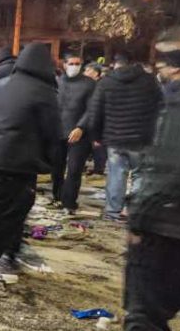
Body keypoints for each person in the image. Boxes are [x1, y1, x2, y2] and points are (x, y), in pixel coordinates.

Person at [0, 43, 62, 292]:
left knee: (12, 209)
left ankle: (9, 250)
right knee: (3, 214)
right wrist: (51, 162)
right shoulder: (43, 91)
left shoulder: (0, 84)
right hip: (19, 161)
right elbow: (53, 131)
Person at [123, 25, 180, 331]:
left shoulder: (177, 104)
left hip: (165, 229)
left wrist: (138, 218)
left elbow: (169, 166)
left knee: (146, 315)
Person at [85, 53, 162, 222]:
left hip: (114, 136)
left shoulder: (107, 81)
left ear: (115, 64)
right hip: (141, 137)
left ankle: (113, 211)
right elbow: (160, 107)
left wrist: (95, 135)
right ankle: (134, 210)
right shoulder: (149, 81)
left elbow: (95, 110)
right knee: (139, 175)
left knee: (116, 174)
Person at [48, 54, 97, 215]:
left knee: (75, 169)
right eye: (71, 63)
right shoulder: (56, 82)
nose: (74, 66)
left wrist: (81, 127)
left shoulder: (89, 84)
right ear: (64, 64)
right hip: (57, 131)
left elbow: (92, 108)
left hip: (79, 133)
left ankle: (69, 202)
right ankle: (57, 196)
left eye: (77, 63)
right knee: (56, 167)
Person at [83, 63, 106, 175]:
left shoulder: (101, 86)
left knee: (97, 145)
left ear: (96, 73)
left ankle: (99, 169)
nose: (85, 73)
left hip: (98, 120)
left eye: (88, 70)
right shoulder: (86, 85)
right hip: (86, 120)